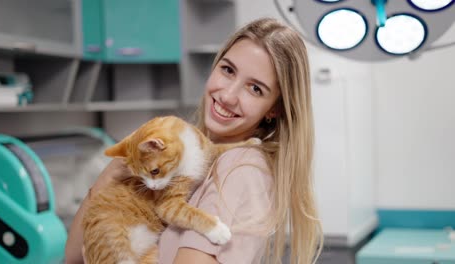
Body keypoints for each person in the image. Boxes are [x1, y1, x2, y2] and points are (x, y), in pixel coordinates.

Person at [65, 17, 323, 264]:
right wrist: (115, 171)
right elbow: (75, 255)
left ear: (274, 109)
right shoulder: (185, 160)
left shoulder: (240, 167)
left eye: (255, 88)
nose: (229, 96)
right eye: (228, 70)